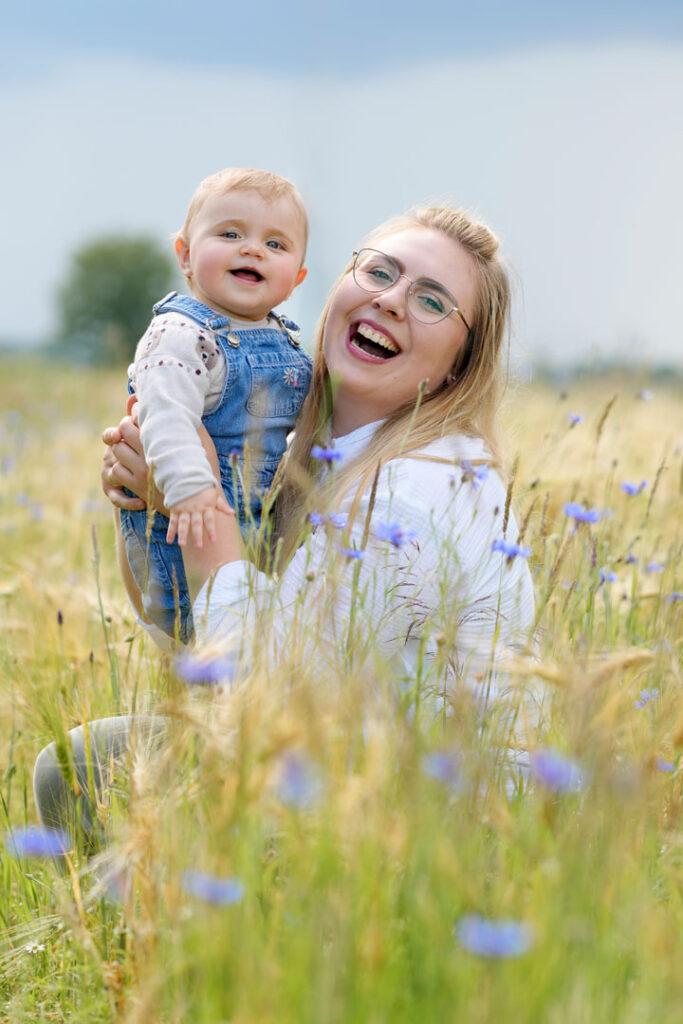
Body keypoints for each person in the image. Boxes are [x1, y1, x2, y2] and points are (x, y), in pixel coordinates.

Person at [34, 204, 536, 844]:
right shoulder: (315, 451)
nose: (390, 301)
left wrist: (203, 507)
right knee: (87, 764)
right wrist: (144, 509)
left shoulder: (412, 495)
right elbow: (197, 645)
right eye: (380, 271)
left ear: (460, 363)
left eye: (432, 301)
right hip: (341, 771)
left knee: (88, 768)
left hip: (422, 826)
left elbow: (276, 697)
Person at [119, 167, 312, 644]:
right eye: (230, 234)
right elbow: (163, 414)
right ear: (185, 256)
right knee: (200, 631)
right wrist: (188, 489)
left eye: (276, 244)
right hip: (183, 519)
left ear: (297, 278)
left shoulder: (285, 341)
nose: (252, 249)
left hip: (254, 525)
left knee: (241, 624)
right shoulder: (181, 335)